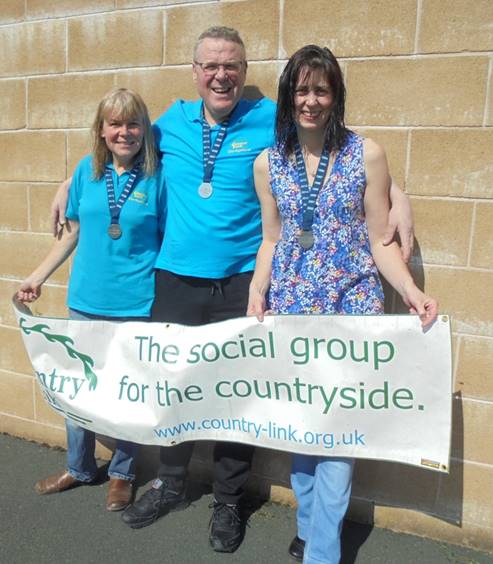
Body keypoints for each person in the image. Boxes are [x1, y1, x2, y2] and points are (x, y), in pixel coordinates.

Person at [49, 27, 416, 553]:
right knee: (174, 390)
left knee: (238, 400)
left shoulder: (272, 117)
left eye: (232, 66)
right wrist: (69, 180)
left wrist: (397, 196)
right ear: (195, 72)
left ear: (244, 72)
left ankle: (227, 502)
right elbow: (115, 147)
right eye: (211, 66)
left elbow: (334, 149)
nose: (221, 75)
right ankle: (169, 484)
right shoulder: (169, 123)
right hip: (174, 278)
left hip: (245, 281)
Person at [246, 45, 438, 564]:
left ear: (336, 96)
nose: (311, 101)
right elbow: (271, 238)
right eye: (302, 90)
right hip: (291, 313)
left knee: (337, 434)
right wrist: (258, 289)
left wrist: (412, 293)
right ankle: (310, 526)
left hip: (350, 314)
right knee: (301, 429)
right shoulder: (268, 164)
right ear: (289, 97)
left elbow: (380, 240)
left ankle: (321, 551)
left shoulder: (366, 154)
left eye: (321, 90)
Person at [17, 88, 165, 513]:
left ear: (145, 129)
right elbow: (73, 232)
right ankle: (78, 467)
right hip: (84, 301)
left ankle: (122, 474)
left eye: (133, 123)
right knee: (75, 390)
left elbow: (169, 238)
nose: (124, 132)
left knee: (128, 394)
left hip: (136, 306)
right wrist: (37, 276)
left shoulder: (159, 177)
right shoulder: (87, 172)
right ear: (101, 130)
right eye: (115, 124)